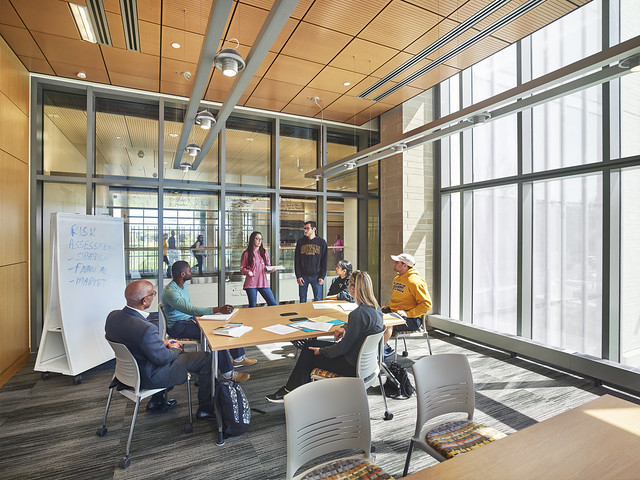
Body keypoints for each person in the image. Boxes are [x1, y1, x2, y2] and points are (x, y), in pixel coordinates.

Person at [105, 280, 216, 419]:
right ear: (145, 300)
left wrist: (160, 343)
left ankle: (156, 401)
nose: (154, 296)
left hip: (125, 374)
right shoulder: (145, 328)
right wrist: (174, 348)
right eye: (153, 294)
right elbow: (163, 358)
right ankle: (205, 409)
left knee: (177, 353)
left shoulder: (113, 317)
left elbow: (134, 342)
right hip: (148, 376)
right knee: (206, 358)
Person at [266, 271, 383, 403]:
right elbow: (358, 329)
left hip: (351, 365)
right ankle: (295, 393)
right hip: (366, 364)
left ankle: (290, 392)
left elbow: (342, 348)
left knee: (309, 352)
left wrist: (321, 351)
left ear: (352, 288)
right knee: (309, 346)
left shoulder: (357, 314)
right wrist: (345, 327)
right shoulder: (376, 309)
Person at [161, 260, 256, 382]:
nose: (192, 271)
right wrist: (218, 309)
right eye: (189, 270)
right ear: (182, 274)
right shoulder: (171, 292)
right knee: (215, 335)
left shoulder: (182, 285)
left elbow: (190, 310)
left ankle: (238, 358)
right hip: (178, 326)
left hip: (188, 320)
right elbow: (190, 309)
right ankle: (228, 373)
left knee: (225, 325)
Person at [382, 253, 432, 356]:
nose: (394, 263)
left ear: (405, 265)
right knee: (371, 316)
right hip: (396, 313)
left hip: (412, 319)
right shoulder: (397, 279)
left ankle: (379, 353)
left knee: (385, 324)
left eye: (397, 262)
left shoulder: (415, 282)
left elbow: (426, 304)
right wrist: (390, 307)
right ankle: (383, 348)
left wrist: (408, 313)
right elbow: (401, 299)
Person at [240, 231, 277, 308]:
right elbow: (242, 268)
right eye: (257, 239)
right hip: (251, 283)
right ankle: (251, 320)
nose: (259, 241)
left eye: (261, 239)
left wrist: (271, 269)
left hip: (263, 282)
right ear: (252, 239)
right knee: (253, 307)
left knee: (273, 304)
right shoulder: (246, 253)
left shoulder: (264, 252)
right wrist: (248, 272)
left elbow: (267, 266)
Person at [294, 220, 328, 302]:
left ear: (314, 229)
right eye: (304, 229)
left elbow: (324, 261)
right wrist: (298, 276)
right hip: (303, 276)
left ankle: (317, 315)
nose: (305, 231)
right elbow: (297, 260)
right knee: (302, 300)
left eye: (307, 228)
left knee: (318, 299)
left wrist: (322, 276)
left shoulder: (322, 242)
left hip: (316, 276)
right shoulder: (300, 242)